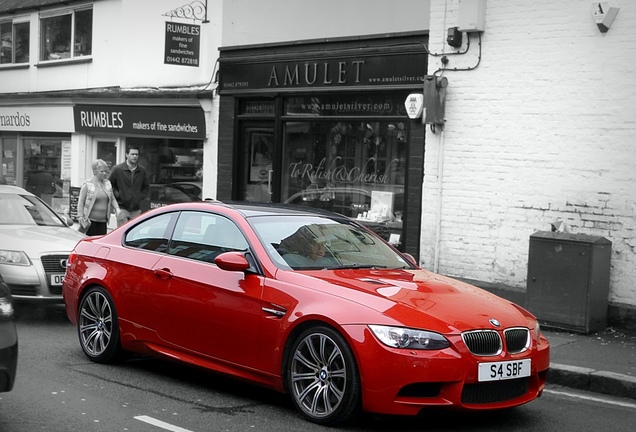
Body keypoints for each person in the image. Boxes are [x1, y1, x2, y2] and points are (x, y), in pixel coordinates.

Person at [77, 159, 122, 236]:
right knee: (91, 242)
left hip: (103, 221)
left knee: (100, 241)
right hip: (90, 221)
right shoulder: (87, 185)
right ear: (95, 171)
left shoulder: (107, 183)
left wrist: (117, 208)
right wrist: (80, 216)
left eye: (105, 171)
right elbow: (81, 201)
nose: (104, 173)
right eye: (102, 171)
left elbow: (112, 198)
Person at [108, 146, 149, 226]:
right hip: (122, 208)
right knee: (122, 232)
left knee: (134, 233)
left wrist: (139, 196)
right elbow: (109, 185)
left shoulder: (142, 171)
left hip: (136, 209)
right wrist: (118, 194)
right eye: (132, 154)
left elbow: (146, 186)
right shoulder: (117, 169)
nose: (135, 156)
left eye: (137, 154)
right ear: (126, 155)